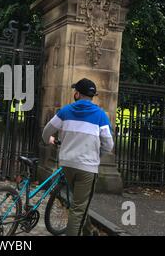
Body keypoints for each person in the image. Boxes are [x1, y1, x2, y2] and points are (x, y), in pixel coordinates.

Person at [42, 78, 114, 236]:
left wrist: (49, 140)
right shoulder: (101, 116)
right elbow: (109, 145)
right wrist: (97, 156)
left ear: (77, 94)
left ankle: (89, 232)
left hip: (66, 164)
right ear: (92, 96)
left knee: (78, 203)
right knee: (78, 208)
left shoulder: (65, 111)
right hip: (87, 168)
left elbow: (47, 131)